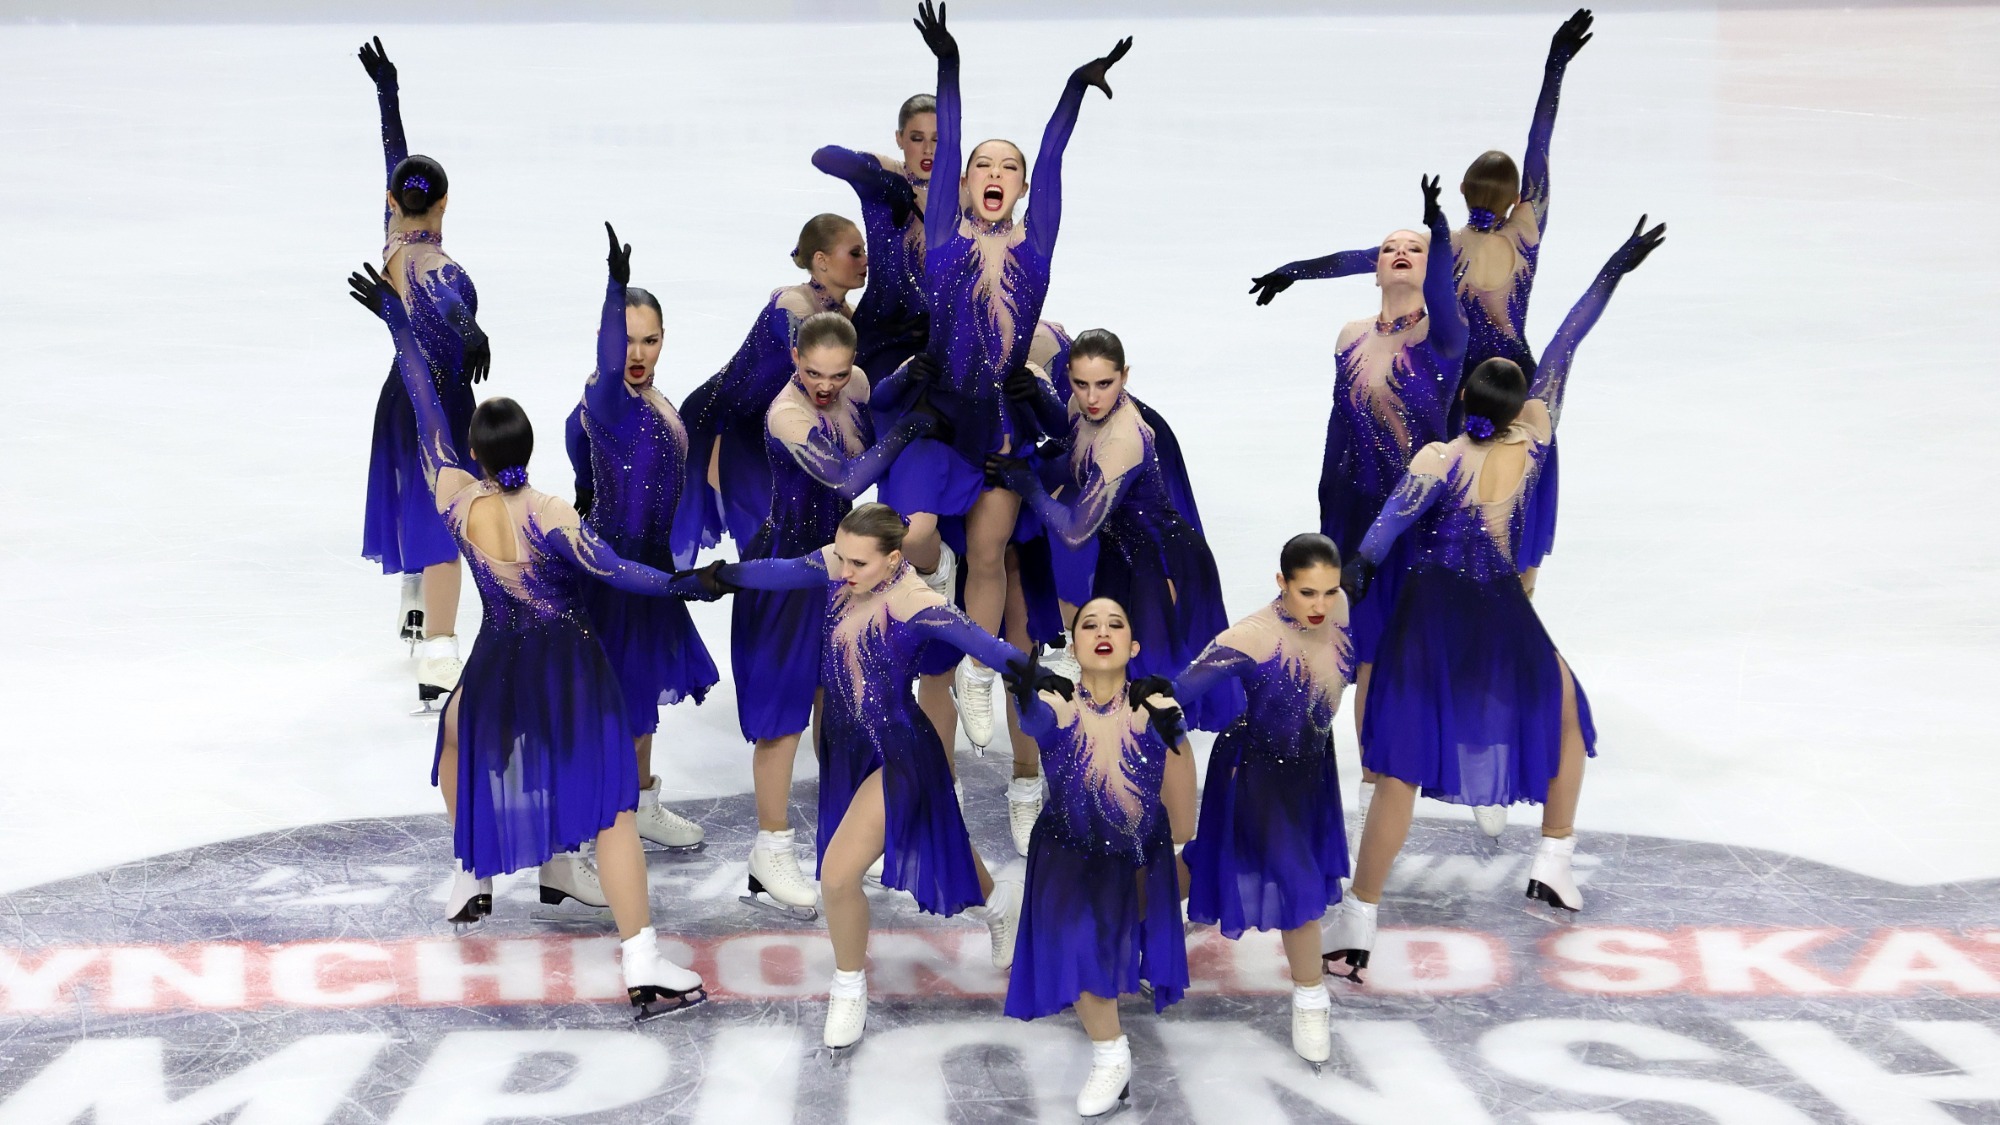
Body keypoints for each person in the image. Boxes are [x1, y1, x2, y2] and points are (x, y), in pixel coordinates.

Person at [347, 261, 709, 1020]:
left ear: (474, 454)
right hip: (572, 668)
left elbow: (423, 406)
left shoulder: (455, 498)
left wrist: (397, 324)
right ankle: (640, 957)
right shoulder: (550, 511)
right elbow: (618, 570)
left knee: (455, 742)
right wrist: (687, 586)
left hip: (500, 661)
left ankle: (473, 871)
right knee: (612, 810)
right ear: (534, 444)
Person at [1323, 218, 1664, 979]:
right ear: (1521, 407)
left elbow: (1376, 544)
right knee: (1568, 716)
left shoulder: (1438, 456)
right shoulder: (1534, 436)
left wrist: (1342, 584)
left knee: (1400, 772)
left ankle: (1359, 917)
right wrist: (1614, 265)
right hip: (1500, 613)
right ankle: (1554, 855)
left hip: (1426, 613)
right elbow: (1568, 339)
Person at [1248, 9, 1595, 584]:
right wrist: (1553, 67)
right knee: (1508, 490)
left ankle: (1429, 589)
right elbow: (1540, 145)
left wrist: (1292, 271)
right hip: (1512, 378)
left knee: (1443, 488)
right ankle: (1510, 595)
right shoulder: (1524, 237)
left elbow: (1356, 260)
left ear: (1463, 192)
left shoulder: (1442, 246)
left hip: (1454, 381)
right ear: (1516, 200)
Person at [881, 1, 1132, 755]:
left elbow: (1056, 154)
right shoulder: (946, 245)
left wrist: (1074, 89)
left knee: (991, 555)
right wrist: (948, 66)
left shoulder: (1036, 244)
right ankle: (947, 588)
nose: (994, 174)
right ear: (963, 182)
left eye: (1008, 168)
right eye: (982, 166)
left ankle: (978, 671)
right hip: (939, 414)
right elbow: (950, 134)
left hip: (995, 419)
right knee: (928, 543)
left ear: (1021, 188)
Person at [694, 503, 1029, 1050]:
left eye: (857, 563)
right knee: (935, 835)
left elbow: (984, 645)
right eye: (840, 556)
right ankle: (999, 904)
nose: (843, 571)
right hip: (847, 748)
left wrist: (1039, 675)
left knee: (837, 874)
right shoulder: (840, 565)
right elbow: (782, 571)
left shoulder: (917, 602)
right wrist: (724, 576)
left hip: (899, 753)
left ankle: (848, 985)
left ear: (894, 559)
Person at [731, 313, 944, 918]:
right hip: (791, 569)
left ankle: (847, 836)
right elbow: (846, 475)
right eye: (812, 372)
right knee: (783, 719)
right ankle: (769, 851)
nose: (826, 386)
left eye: (838, 373)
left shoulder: (855, 387)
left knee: (843, 709)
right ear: (794, 357)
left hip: (845, 568)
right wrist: (904, 434)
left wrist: (903, 385)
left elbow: (874, 420)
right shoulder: (786, 414)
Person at [560, 226, 718, 875]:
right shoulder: (606, 398)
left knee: (642, 694)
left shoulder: (657, 399)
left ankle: (642, 802)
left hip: (651, 567)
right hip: (613, 572)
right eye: (626, 338)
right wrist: (613, 290)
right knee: (613, 708)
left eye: (649, 338)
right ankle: (600, 829)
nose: (637, 351)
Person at [987, 329, 1240, 732]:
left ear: (1125, 376)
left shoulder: (1124, 438)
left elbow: (1075, 532)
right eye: (1081, 383)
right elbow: (1069, 449)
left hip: (1161, 562)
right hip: (1121, 556)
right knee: (1113, 687)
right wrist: (1035, 407)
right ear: (1068, 375)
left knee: (1156, 702)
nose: (1091, 397)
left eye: (1104, 384)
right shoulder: (1082, 408)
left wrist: (1028, 485)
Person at [1006, 597, 1194, 1117]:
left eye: (1116, 623)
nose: (1102, 630)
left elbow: (1179, 734)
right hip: (1070, 852)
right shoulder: (1061, 701)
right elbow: (1037, 721)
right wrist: (1025, 692)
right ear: (1075, 644)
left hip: (1137, 848)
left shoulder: (1149, 704)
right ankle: (1113, 1055)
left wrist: (1173, 709)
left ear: (1133, 646)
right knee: (1084, 946)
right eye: (1089, 624)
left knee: (1120, 933)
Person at [1172, 534, 1353, 1067]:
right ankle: (1310, 998)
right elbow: (1180, 690)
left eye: (1328, 591)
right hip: (1253, 773)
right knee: (1297, 882)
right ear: (1282, 584)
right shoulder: (1254, 635)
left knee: (1209, 862)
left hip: (1311, 774)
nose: (1319, 605)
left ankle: (1125, 919)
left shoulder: (1341, 612)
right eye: (1306, 593)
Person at [354, 36, 490, 710]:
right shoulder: (439, 264)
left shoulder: (391, 238)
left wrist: (387, 94)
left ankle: (413, 600)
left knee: (415, 500)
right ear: (444, 205)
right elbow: (446, 302)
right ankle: (438, 650)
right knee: (446, 520)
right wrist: (471, 329)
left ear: (394, 200)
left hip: (397, 396)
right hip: (442, 403)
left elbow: (394, 161)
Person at [679, 213, 867, 551]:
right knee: (765, 546)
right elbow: (808, 343)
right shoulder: (793, 304)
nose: (865, 261)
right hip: (735, 428)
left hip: (783, 433)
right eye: (855, 253)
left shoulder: (844, 317)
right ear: (821, 261)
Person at [812, 96, 936, 381]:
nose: (928, 149)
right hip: (883, 326)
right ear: (900, 138)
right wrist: (884, 183)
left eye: (937, 139)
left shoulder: (963, 189)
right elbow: (824, 157)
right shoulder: (887, 170)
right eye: (917, 138)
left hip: (935, 330)